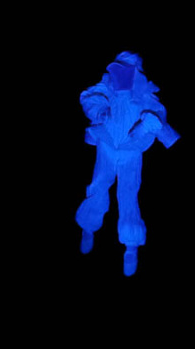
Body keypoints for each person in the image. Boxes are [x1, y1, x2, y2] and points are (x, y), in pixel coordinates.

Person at [74, 52, 179, 276]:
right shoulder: (107, 87)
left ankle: (131, 245)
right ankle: (88, 226)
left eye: (128, 70)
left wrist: (145, 125)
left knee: (128, 194)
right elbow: (89, 97)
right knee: (98, 186)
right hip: (107, 146)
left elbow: (159, 120)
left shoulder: (144, 95)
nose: (124, 74)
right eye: (120, 69)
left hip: (131, 152)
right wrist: (99, 111)